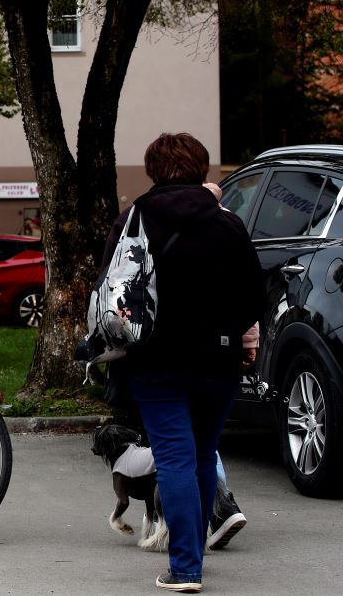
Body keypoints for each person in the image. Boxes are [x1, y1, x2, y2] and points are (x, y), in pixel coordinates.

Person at [102, 133, 264, 593]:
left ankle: (186, 568)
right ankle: (191, 559)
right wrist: (232, 334)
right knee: (201, 455)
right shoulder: (227, 223)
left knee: (173, 456)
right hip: (218, 359)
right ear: (202, 168)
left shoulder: (134, 218)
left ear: (153, 169)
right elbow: (254, 292)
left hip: (154, 359)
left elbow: (110, 285)